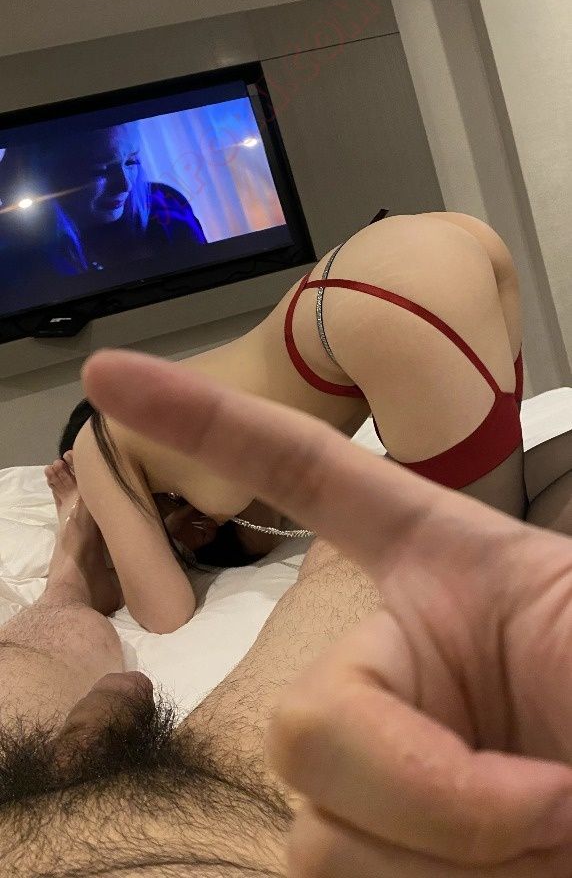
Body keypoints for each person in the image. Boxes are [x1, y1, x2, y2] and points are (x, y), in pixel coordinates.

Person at [1, 345, 572, 877]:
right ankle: (70, 569)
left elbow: (133, 671)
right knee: (377, 544)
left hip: (177, 817)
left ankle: (67, 575)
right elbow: (152, 638)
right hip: (228, 812)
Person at [47, 210, 531, 634]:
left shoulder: (97, 441)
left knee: (492, 574)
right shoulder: (182, 425)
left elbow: (164, 613)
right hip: (426, 251)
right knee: (517, 526)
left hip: (366, 303)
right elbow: (265, 529)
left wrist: (76, 524)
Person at [0, 123, 207, 315]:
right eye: (99, 170)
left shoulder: (165, 205)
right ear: (42, 176)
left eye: (131, 161)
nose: (125, 185)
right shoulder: (13, 250)